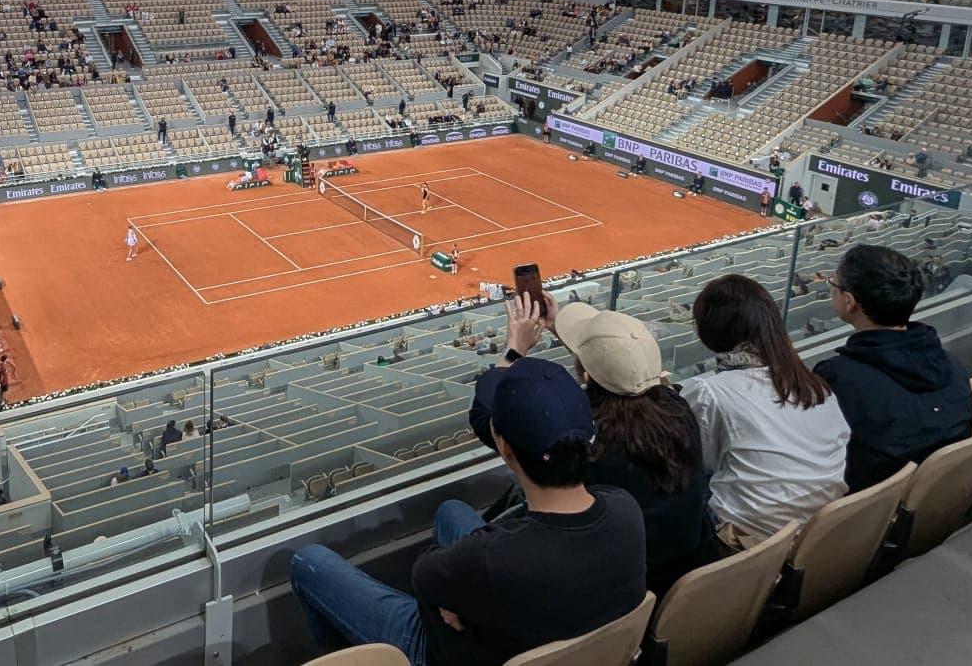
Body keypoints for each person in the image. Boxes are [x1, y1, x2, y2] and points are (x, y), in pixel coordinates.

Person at [289, 296, 646, 666]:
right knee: (452, 513)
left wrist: (460, 602)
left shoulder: (491, 558)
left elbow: (424, 576)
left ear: (504, 448)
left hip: (454, 654)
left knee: (308, 562)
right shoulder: (625, 511)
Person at [554, 303, 714, 597]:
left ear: (584, 375)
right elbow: (624, 379)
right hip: (686, 572)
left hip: (620, 588)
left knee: (455, 513)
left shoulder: (587, 443)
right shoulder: (678, 408)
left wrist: (514, 351)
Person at [682, 275, 850, 551]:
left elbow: (695, 463)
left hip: (747, 538)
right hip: (821, 533)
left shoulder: (708, 391)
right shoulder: (815, 386)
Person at [816, 245, 972, 492]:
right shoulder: (952, 365)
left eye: (833, 285)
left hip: (863, 507)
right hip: (939, 495)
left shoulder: (837, 378)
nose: (831, 290)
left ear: (849, 302)